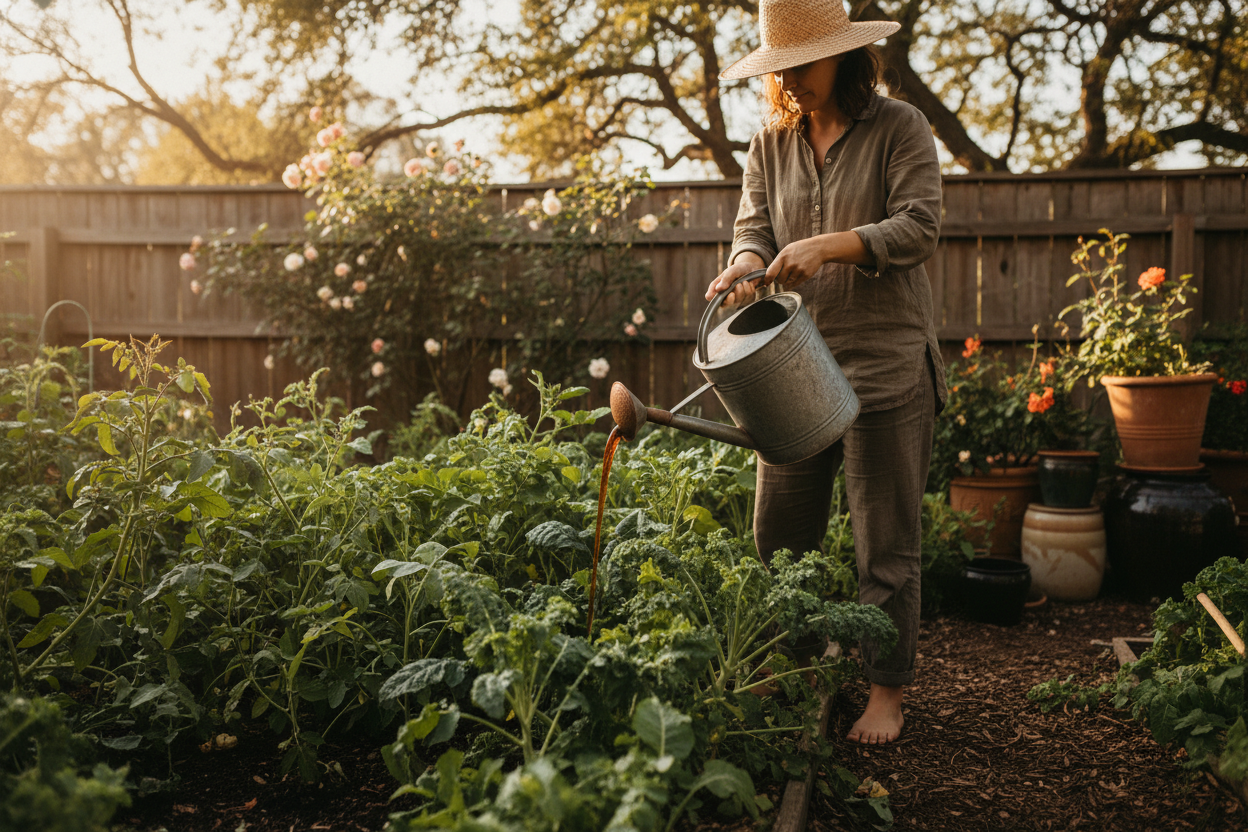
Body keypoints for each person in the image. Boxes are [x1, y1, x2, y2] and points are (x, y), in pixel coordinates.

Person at [709, 0, 946, 744]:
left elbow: (919, 226)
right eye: (779, 70)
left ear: (844, 57)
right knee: (780, 534)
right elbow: (753, 226)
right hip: (794, 363)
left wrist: (830, 245)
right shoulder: (769, 143)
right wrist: (748, 261)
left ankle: (885, 691)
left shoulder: (899, 128)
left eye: (801, 67)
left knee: (885, 543)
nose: (790, 83)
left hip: (886, 363)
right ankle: (795, 666)